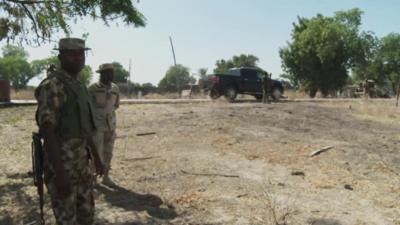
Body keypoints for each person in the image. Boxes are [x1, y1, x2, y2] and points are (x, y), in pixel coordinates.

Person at [34, 37, 103, 225]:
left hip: (82, 165)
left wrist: (96, 158)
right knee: (67, 220)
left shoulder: (79, 87)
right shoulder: (52, 86)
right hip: (62, 166)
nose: (78, 57)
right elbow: (47, 131)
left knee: (87, 217)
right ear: (61, 56)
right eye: (72, 53)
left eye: (81, 53)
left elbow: (84, 128)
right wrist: (60, 175)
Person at [88, 63, 120, 186]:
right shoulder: (92, 88)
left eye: (112, 72)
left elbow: (116, 105)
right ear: (101, 74)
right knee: (96, 152)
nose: (110, 75)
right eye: (107, 73)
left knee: (108, 152)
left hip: (110, 126)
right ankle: (93, 177)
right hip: (97, 126)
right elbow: (87, 107)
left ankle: (106, 177)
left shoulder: (115, 88)